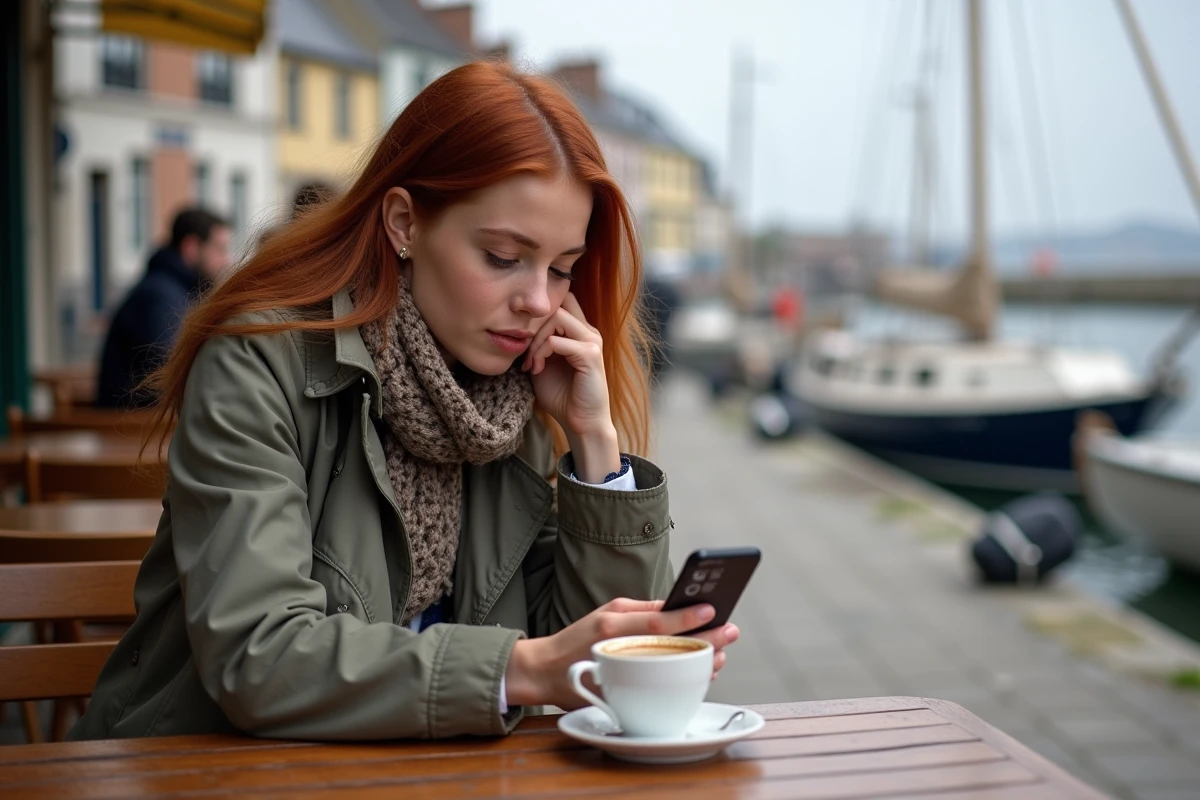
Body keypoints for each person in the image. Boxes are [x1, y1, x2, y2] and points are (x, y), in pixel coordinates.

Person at [70, 61, 739, 742]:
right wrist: (519, 670)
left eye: (562, 268)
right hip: (203, 769)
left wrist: (594, 444)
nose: (539, 300)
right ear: (403, 224)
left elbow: (590, 667)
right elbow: (260, 654)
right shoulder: (259, 360)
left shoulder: (509, 399)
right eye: (505, 256)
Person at [95, 208, 233, 408]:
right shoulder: (161, 296)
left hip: (139, 422)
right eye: (219, 249)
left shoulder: (172, 288)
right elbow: (172, 370)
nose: (226, 259)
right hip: (133, 428)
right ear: (191, 247)